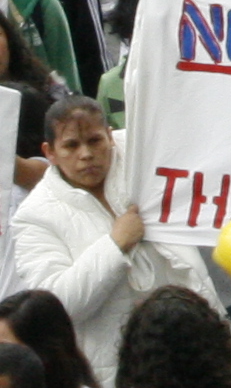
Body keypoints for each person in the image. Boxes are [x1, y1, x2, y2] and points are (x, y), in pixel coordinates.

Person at [7, 95, 206, 380]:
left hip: (194, 347)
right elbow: (57, 307)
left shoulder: (143, 160)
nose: (86, 154)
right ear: (49, 152)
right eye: (71, 145)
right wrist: (115, 245)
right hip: (120, 369)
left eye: (94, 141)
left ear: (110, 137)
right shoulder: (33, 216)